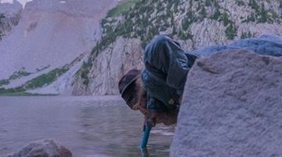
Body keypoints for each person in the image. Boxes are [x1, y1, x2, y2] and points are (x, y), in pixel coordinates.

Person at [118, 33, 282, 127]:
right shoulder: (158, 99)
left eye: (138, 103)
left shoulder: (151, 68)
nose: (142, 110)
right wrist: (170, 117)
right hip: (236, 77)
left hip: (233, 58)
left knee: (269, 50)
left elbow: (160, 43)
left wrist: (186, 90)